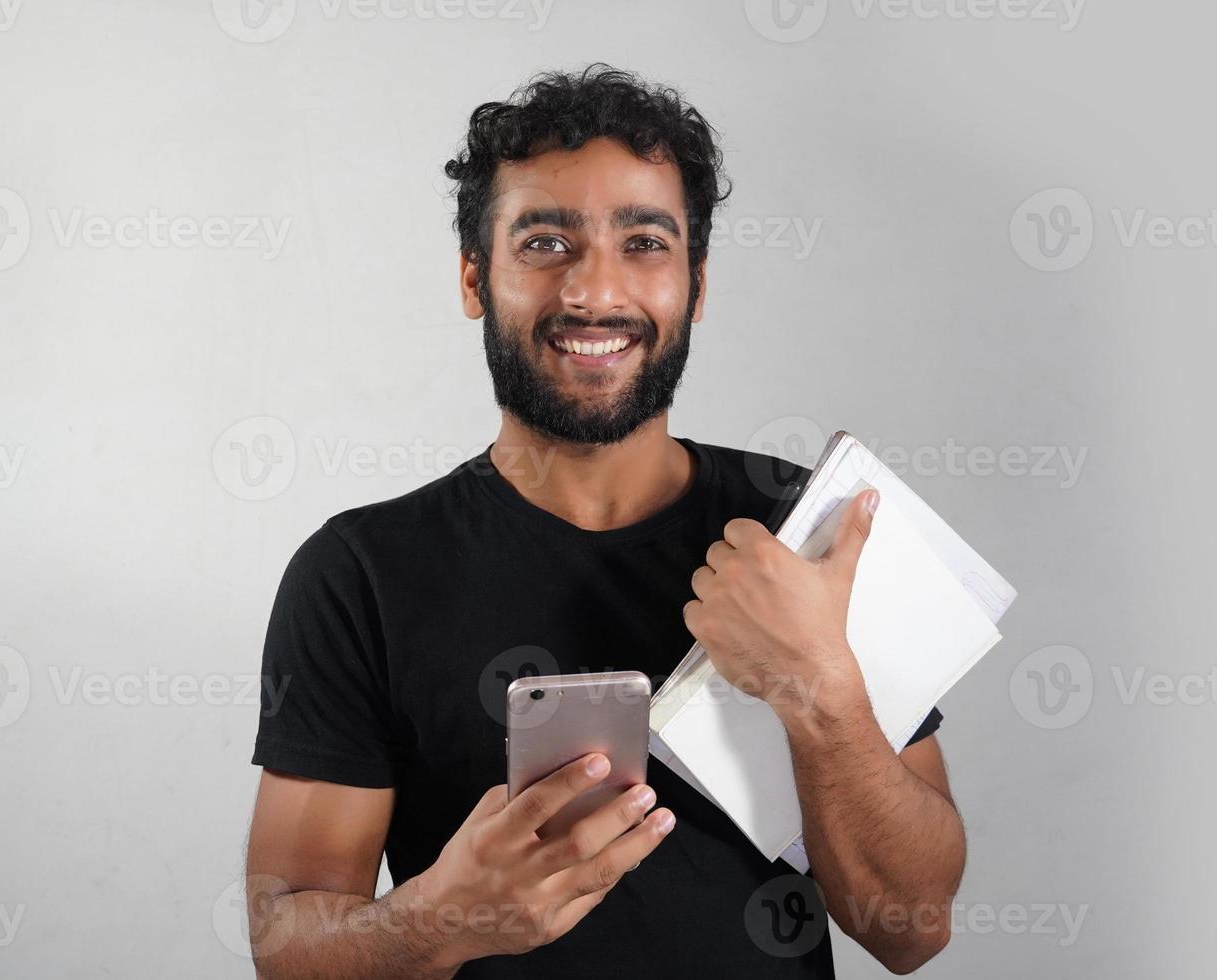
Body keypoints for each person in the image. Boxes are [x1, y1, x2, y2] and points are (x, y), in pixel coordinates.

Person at [244, 63, 964, 978]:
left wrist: (817, 686)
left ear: (696, 286)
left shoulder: (808, 529)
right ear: (475, 277)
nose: (593, 292)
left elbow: (913, 931)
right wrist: (441, 917)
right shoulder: (359, 573)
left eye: (645, 243)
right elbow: (285, 950)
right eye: (545, 242)